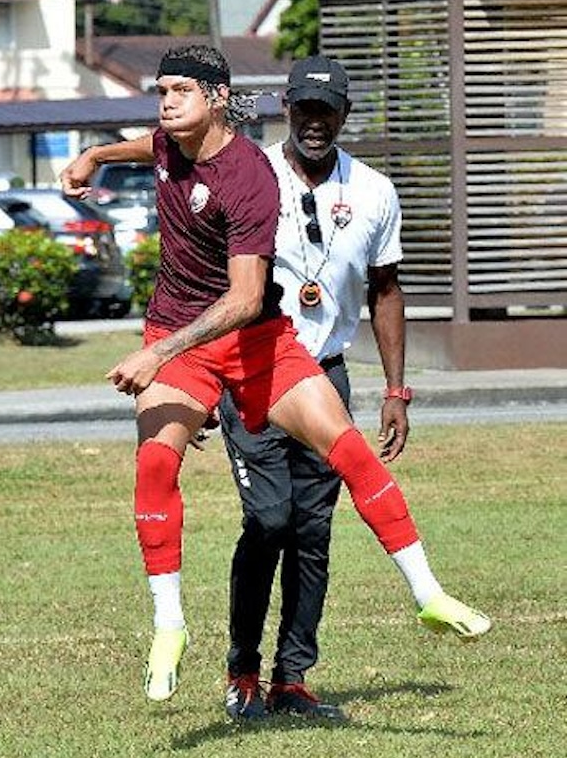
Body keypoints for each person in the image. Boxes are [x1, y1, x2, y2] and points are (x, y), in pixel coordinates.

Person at [58, 44, 490, 707]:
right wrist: (94, 156)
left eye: (180, 90)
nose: (166, 101)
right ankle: (174, 629)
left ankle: (425, 595)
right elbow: (149, 146)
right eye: (162, 90)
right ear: (283, 106)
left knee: (344, 459)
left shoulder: (256, 178)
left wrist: (156, 355)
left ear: (219, 98)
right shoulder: (175, 140)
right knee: (179, 478)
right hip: (186, 344)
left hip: (257, 342)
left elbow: (244, 300)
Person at [214, 55, 412, 722]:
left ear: (346, 114)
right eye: (304, 110)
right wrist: (198, 375)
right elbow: (208, 278)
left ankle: (292, 678)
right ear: (286, 110)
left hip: (325, 373)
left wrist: (396, 389)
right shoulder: (249, 174)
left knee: (313, 530)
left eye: (327, 111)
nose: (315, 122)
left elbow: (386, 289)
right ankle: (243, 669)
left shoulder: (377, 191)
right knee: (268, 519)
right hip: (251, 371)